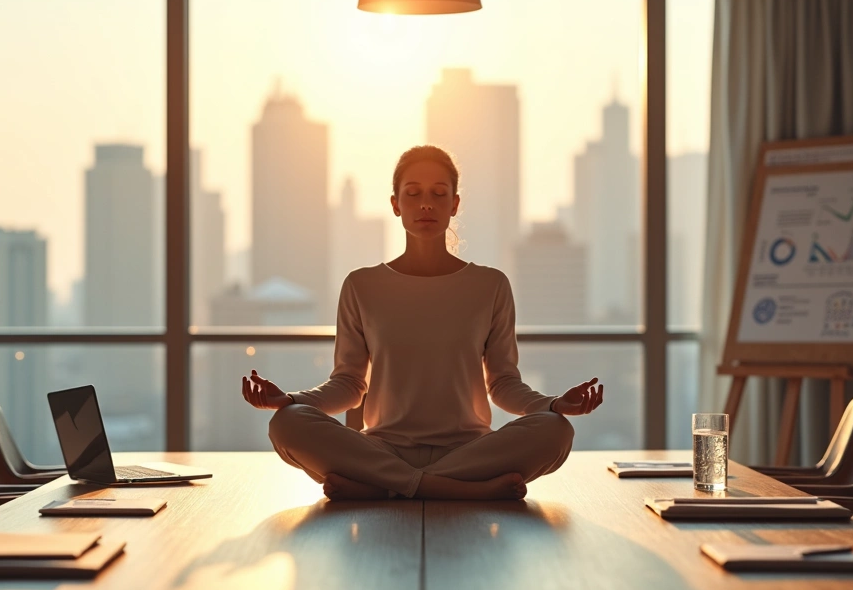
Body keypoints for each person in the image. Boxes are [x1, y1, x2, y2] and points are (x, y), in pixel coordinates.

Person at [242, 145, 604, 501]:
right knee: (287, 423)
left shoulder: (490, 285)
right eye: (413, 193)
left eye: (438, 193)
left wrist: (555, 405)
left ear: (455, 204)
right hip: (384, 449)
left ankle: (386, 487)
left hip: (469, 452)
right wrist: (289, 399)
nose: (426, 203)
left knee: (555, 431)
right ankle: (451, 490)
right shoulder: (362, 285)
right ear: (396, 205)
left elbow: (504, 383)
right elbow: (350, 383)